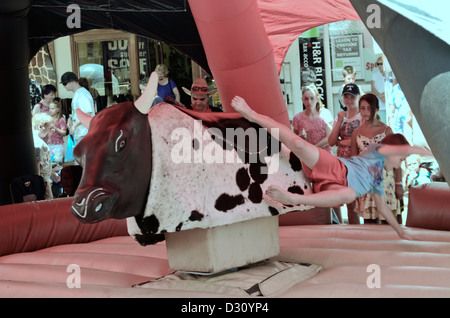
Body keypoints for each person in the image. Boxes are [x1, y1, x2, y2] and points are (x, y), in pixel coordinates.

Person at [231, 96, 432, 240]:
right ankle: (253, 115)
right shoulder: (377, 151)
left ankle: (296, 199)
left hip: (334, 189)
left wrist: (400, 230)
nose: (400, 163)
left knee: (349, 195)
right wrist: (434, 153)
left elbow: (382, 209)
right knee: (298, 144)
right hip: (336, 167)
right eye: (401, 158)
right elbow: (405, 148)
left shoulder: (378, 181)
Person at [350, 93, 398, 224]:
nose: (365, 112)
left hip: (385, 182)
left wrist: (399, 183)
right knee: (369, 223)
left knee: (388, 223)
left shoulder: (386, 130)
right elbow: (354, 163)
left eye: (369, 108)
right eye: (362, 108)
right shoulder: (356, 133)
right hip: (366, 182)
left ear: (376, 109)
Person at [329, 83, 362, 224]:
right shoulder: (341, 116)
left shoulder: (362, 116)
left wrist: (342, 142)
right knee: (350, 202)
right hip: (344, 163)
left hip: (358, 162)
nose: (349, 100)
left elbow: (360, 140)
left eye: (352, 97)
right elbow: (331, 141)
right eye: (346, 96)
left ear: (358, 98)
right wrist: (339, 121)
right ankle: (355, 233)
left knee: (363, 201)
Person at [293, 84, 333, 153]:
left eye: (312, 98)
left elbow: (329, 138)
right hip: (307, 157)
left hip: (325, 155)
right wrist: (300, 138)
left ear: (317, 99)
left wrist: (313, 149)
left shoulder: (325, 114)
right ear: (302, 100)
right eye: (306, 99)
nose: (309, 102)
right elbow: (294, 139)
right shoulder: (298, 118)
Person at [61, 71, 95, 144]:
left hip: (85, 134)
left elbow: (87, 114)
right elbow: (78, 112)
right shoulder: (78, 94)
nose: (64, 86)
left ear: (71, 82)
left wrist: (74, 125)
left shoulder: (81, 94)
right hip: (81, 133)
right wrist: (70, 119)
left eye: (64, 83)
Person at [32, 112, 54, 200]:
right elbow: (37, 163)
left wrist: (52, 173)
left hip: (44, 179)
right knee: (49, 205)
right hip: (43, 180)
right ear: (40, 126)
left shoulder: (37, 141)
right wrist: (38, 182)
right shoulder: (38, 143)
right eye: (49, 128)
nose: (50, 131)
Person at [44, 99, 67, 164]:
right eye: (49, 108)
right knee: (49, 162)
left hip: (58, 145)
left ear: (58, 110)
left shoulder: (61, 119)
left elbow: (64, 132)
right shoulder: (48, 119)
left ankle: (59, 173)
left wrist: (55, 128)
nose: (50, 110)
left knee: (57, 162)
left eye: (52, 108)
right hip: (49, 143)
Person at [371, 56, 387, 123]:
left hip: (389, 103)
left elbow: (394, 87)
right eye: (378, 64)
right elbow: (372, 88)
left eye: (381, 63)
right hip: (379, 104)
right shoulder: (375, 75)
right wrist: (380, 96)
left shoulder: (389, 74)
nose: (380, 66)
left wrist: (383, 95)